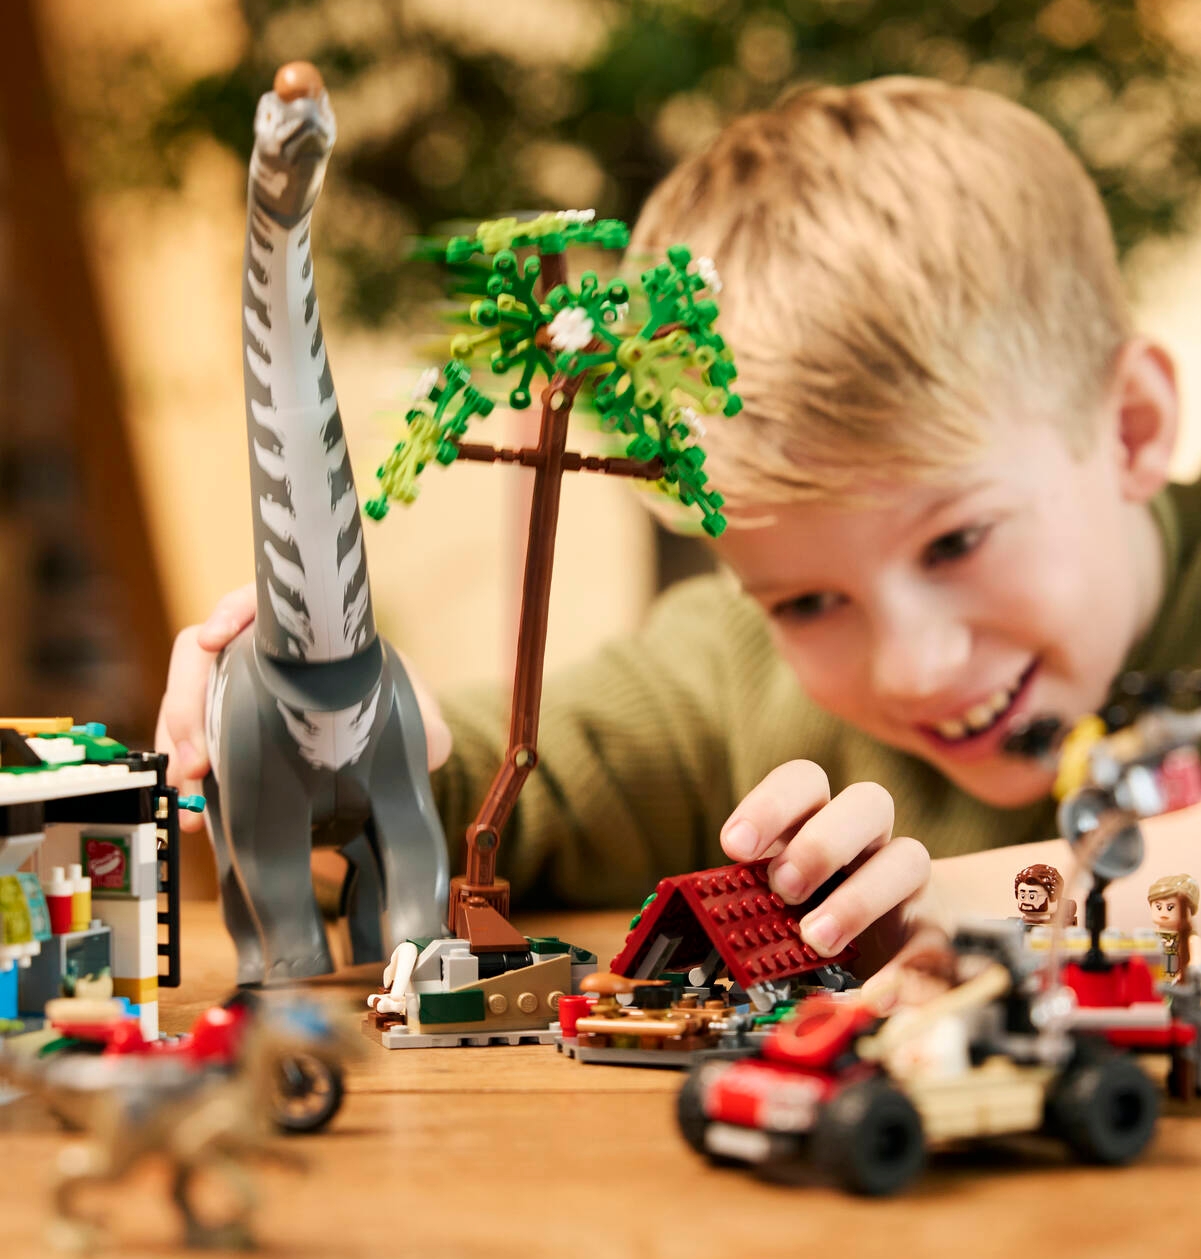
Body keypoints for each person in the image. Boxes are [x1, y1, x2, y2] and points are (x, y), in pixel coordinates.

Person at [156, 75, 1190, 981]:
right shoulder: (723, 679)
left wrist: (951, 905)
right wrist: (336, 731)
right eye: (806, 602)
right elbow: (465, 789)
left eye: (956, 543)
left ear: (1132, 427)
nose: (916, 669)